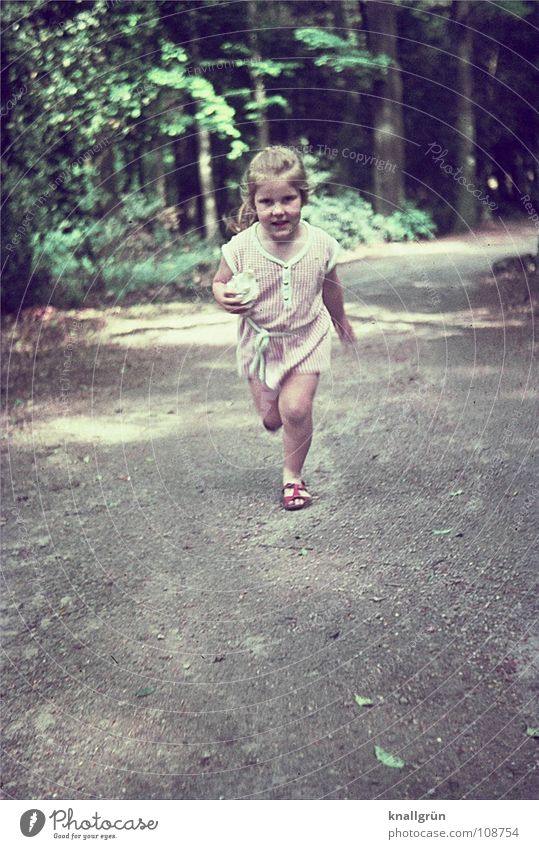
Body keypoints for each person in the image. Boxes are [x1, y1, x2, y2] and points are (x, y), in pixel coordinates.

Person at [212, 145, 356, 510]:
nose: (278, 210)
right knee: (271, 417)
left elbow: (331, 287)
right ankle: (271, 413)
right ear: (254, 205)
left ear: (303, 198)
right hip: (260, 344)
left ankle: (293, 478)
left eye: (288, 199)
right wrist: (223, 297)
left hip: (307, 337)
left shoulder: (320, 244)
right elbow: (219, 282)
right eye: (267, 202)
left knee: (295, 409)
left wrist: (340, 321)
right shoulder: (241, 247)